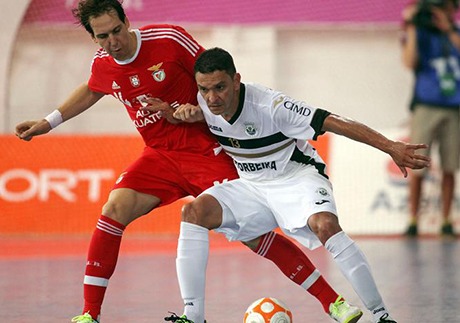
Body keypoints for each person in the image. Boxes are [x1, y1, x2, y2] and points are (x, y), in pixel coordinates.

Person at [14, 1, 362, 322]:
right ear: (93, 38)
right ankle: (90, 314)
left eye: (117, 30)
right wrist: (47, 123)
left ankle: (333, 301)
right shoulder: (103, 65)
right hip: (159, 155)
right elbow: (92, 88)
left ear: (127, 21)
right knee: (113, 209)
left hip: (205, 151)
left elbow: (211, 80)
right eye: (103, 36)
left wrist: (200, 111)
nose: (113, 41)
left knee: (254, 236)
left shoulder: (168, 39)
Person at [169, 47, 432, 323]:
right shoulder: (205, 102)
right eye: (204, 89)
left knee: (326, 226)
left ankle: (381, 316)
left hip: (296, 177)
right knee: (193, 213)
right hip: (252, 186)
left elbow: (334, 121)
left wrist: (389, 146)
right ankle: (193, 316)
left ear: (236, 81)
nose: (212, 98)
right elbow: (198, 111)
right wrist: (173, 113)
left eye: (220, 87)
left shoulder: (271, 106)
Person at [401, 0, 460, 237]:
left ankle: (446, 220)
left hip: (454, 107)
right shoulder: (420, 33)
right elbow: (408, 62)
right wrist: (412, 27)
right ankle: (413, 219)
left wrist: (448, 30)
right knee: (417, 165)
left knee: (450, 166)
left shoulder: (455, 34)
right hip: (426, 106)